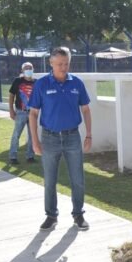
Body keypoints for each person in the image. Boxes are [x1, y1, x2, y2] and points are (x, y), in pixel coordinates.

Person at [28, 47, 92, 231]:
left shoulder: (77, 83)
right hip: (49, 138)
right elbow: (33, 114)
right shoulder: (42, 84)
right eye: (59, 64)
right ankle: (51, 216)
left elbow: (86, 110)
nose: (63, 67)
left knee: (77, 179)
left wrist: (88, 134)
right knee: (50, 180)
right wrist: (35, 141)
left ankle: (78, 215)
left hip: (73, 137)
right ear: (51, 63)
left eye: (66, 64)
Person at [8, 62, 37, 164]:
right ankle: (13, 156)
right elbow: (11, 96)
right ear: (22, 71)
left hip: (33, 113)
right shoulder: (17, 81)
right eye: (26, 68)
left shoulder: (36, 83)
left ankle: (30, 156)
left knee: (32, 135)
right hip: (20, 112)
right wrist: (11, 110)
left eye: (30, 68)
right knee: (16, 134)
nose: (28, 70)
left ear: (33, 69)